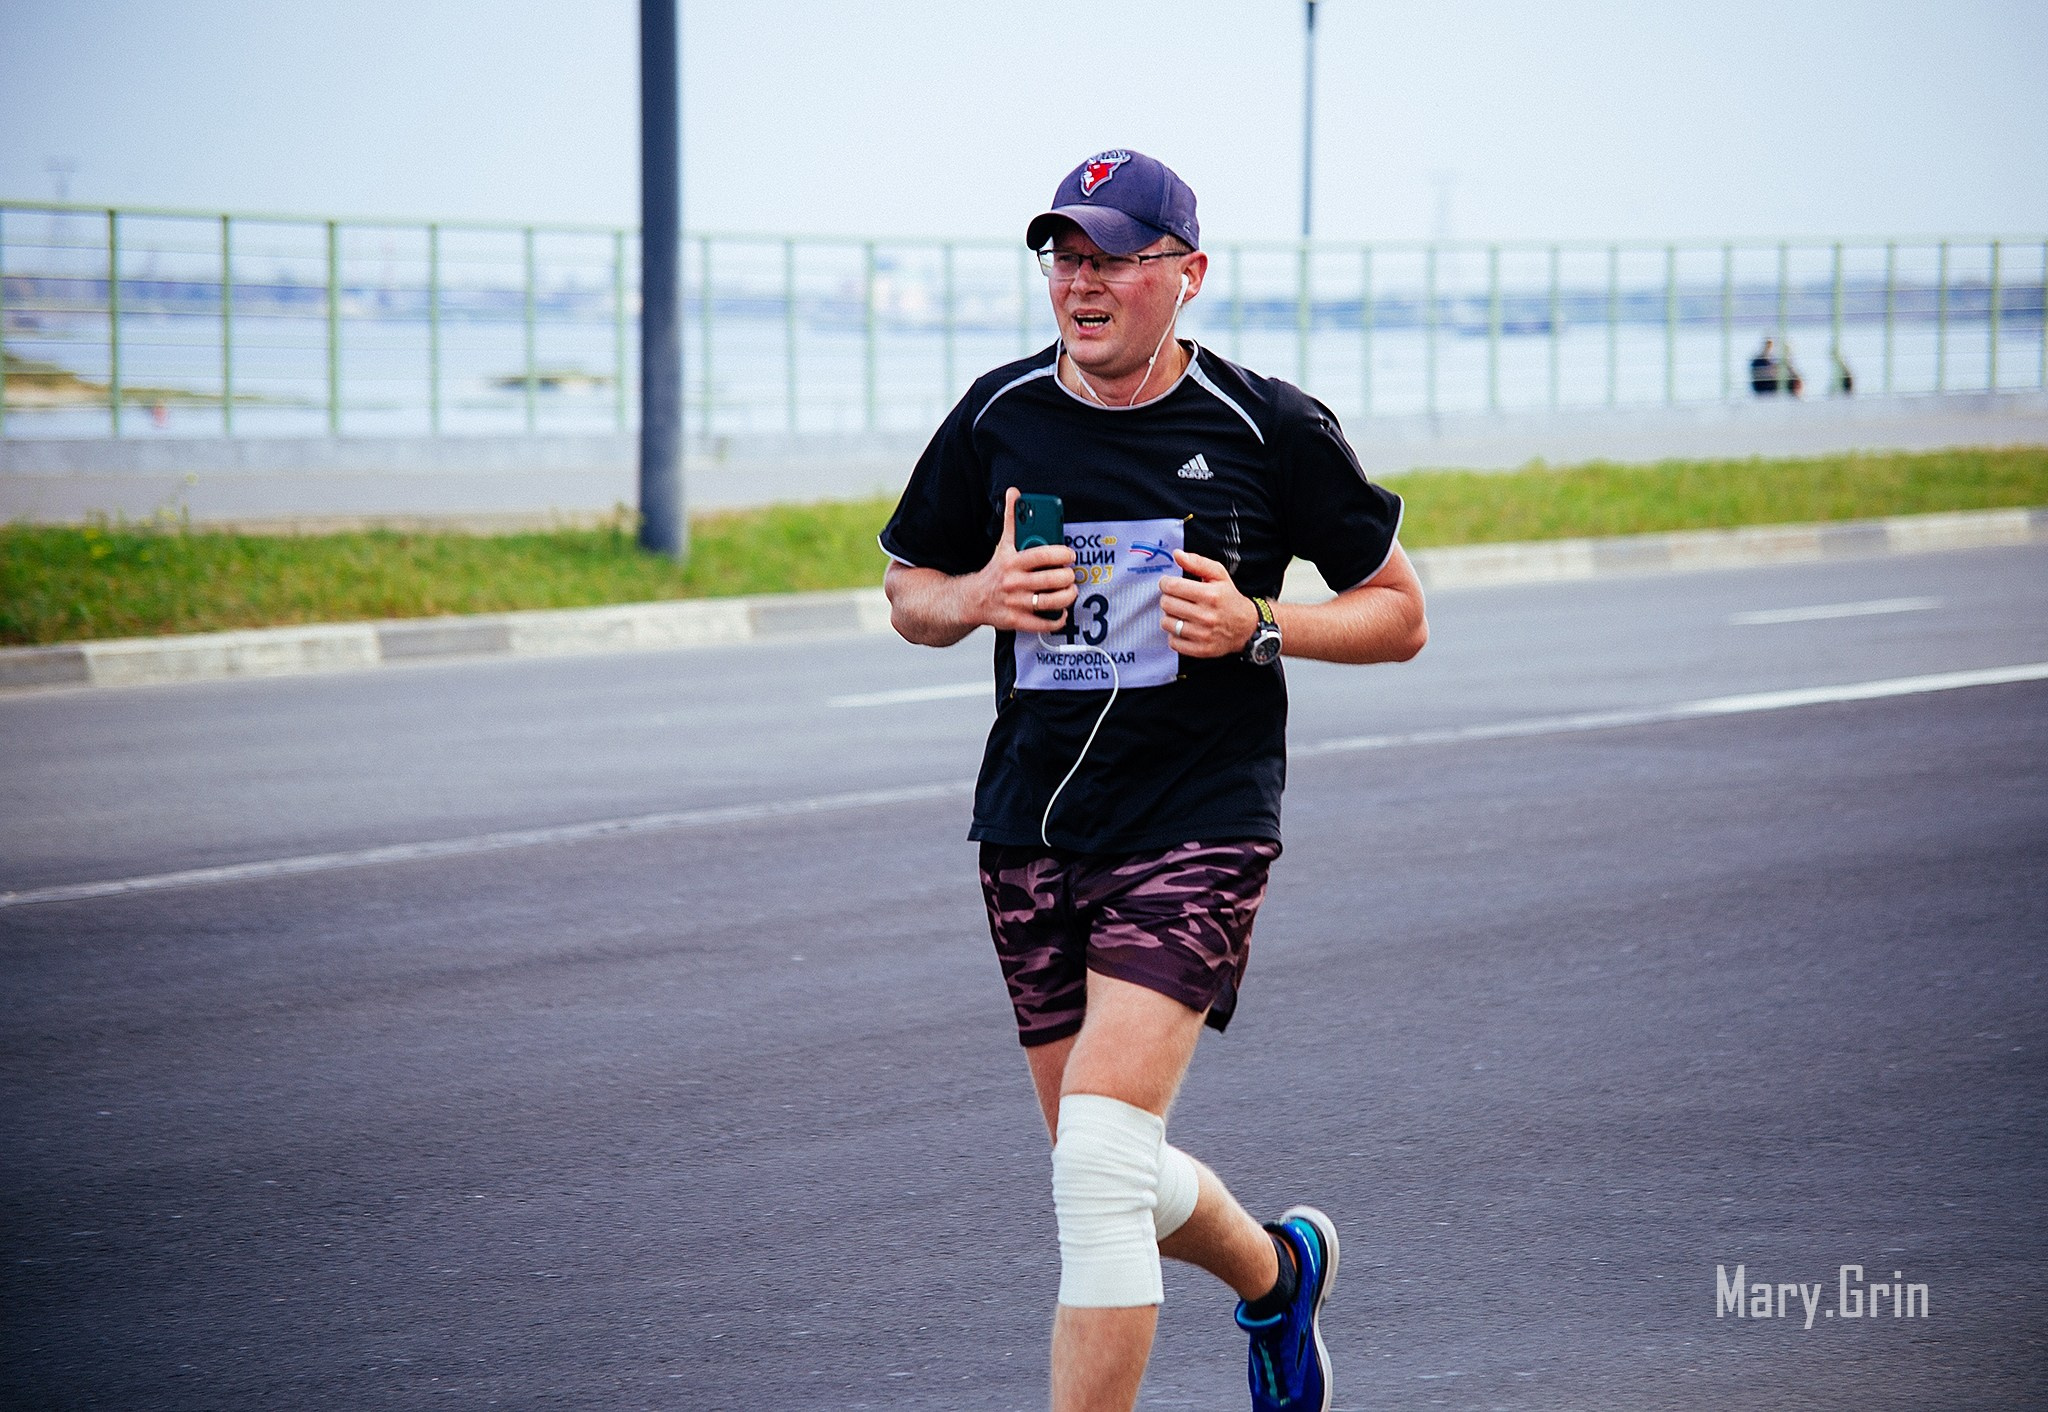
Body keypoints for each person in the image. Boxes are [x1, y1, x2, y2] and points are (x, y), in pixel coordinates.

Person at [880, 149, 1428, 1412]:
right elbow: (907, 592)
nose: (1080, 281)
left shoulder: (1265, 426)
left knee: (1096, 1175)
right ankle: (1277, 1274)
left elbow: (1398, 614)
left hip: (1197, 816)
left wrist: (1259, 623)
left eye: (1112, 257)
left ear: (1184, 275)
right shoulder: (993, 414)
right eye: (1063, 256)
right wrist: (973, 597)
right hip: (1028, 821)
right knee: (1099, 1159)